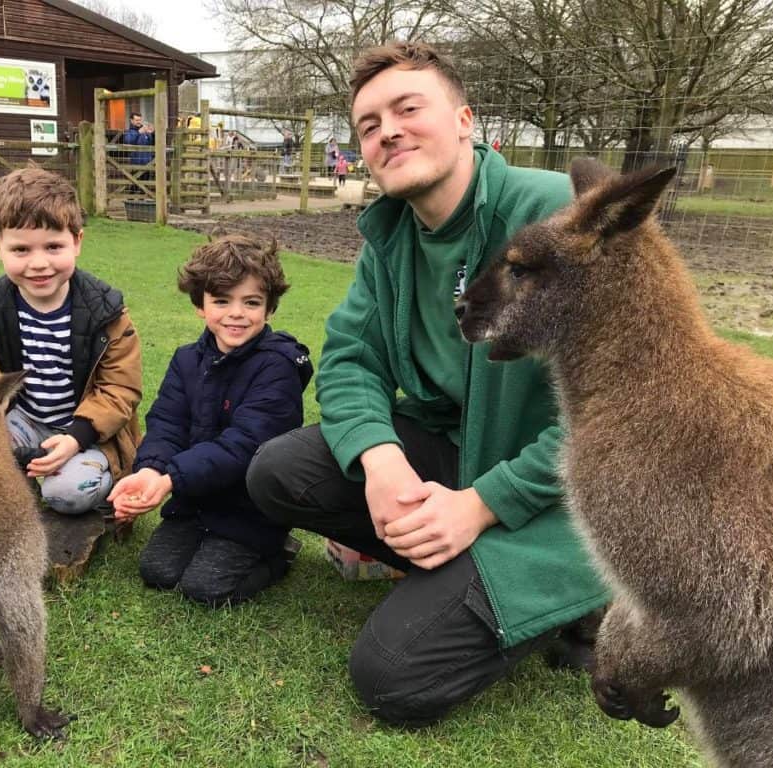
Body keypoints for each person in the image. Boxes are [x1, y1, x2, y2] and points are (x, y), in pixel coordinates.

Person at [245, 40, 608, 726]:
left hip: (565, 496)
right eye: (369, 124)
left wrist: (481, 505)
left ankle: (585, 601)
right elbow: (351, 356)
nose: (388, 131)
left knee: (393, 678)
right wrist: (381, 463)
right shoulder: (393, 235)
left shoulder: (556, 216)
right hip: (458, 454)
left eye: (408, 108)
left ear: (466, 120)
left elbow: (623, 417)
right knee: (277, 472)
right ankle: (447, 559)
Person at [107, 234, 313, 607]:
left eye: (251, 302)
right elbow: (167, 423)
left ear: (269, 309)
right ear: (200, 305)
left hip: (250, 509)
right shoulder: (186, 360)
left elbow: (244, 445)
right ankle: (204, 535)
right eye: (222, 300)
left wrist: (172, 477)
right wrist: (152, 470)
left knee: (206, 588)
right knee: (158, 572)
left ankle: (278, 554)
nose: (236, 313)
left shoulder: (277, 368)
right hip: (194, 502)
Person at [0, 167, 142, 515]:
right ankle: (18, 466)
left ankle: (77, 473)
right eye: (21, 249)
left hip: (86, 429)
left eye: (54, 246)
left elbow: (120, 389)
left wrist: (75, 438)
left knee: (67, 494)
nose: (39, 264)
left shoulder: (107, 313)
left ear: (77, 241)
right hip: (23, 420)